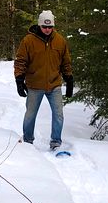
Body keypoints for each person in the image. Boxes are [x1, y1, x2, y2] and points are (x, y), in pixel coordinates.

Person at [14, 10, 73, 150]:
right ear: (39, 25)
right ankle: (28, 142)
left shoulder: (60, 40)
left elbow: (66, 62)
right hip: (35, 85)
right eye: (45, 27)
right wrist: (19, 80)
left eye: (50, 27)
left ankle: (56, 142)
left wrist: (69, 79)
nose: (47, 30)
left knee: (58, 114)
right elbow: (20, 61)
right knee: (30, 115)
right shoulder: (28, 41)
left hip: (54, 84)